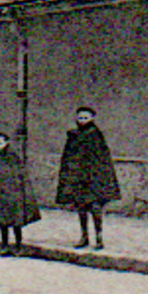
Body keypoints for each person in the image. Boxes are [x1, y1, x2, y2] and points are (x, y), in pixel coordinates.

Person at [56, 106, 120, 249]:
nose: (83, 120)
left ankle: (99, 238)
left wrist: (98, 176)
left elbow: (102, 158)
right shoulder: (73, 135)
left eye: (86, 118)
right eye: (80, 117)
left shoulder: (95, 135)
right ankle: (84, 236)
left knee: (95, 208)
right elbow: (68, 157)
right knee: (81, 208)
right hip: (78, 178)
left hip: (93, 179)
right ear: (76, 118)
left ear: (92, 119)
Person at [0, 131, 40, 256]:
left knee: (15, 222)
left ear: (6, 143)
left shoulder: (13, 158)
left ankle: (18, 246)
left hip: (13, 194)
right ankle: (4, 245)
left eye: (0, 143)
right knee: (2, 222)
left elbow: (19, 176)